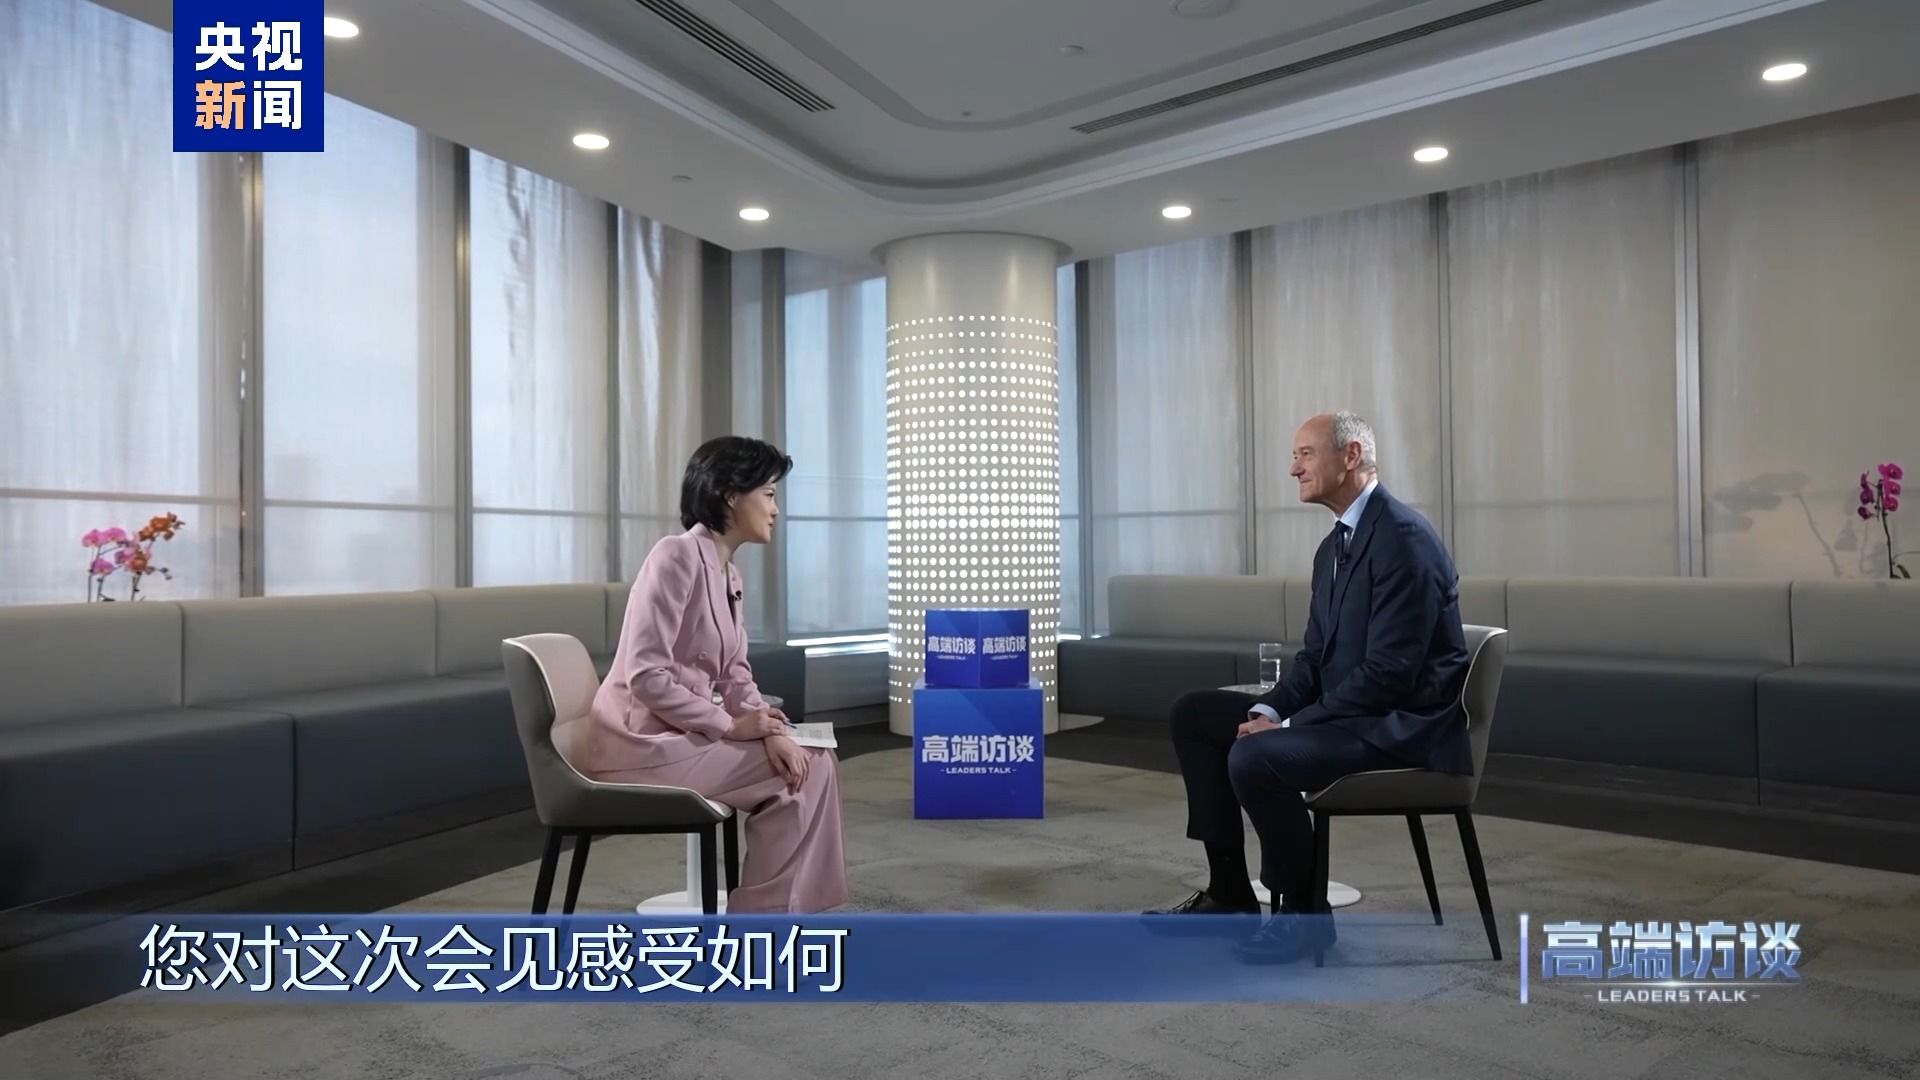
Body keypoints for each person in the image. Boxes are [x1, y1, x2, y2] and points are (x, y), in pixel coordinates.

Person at [1144, 411, 1470, 962]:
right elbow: (1315, 659)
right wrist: (1272, 710)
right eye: (1295, 456)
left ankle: (1304, 916)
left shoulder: (1404, 540)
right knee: (1194, 714)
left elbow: (1390, 675)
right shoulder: (1334, 548)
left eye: (1305, 454)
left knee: (1257, 757)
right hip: (1351, 714)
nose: (1293, 469)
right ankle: (1229, 893)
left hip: (1397, 727)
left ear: (1351, 455)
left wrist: (1288, 726)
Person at [561, 436, 847, 913]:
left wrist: (769, 728)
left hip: (684, 735)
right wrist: (732, 726)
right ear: (731, 495)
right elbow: (646, 674)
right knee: (805, 769)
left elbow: (735, 674)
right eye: (769, 494)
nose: (776, 509)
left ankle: (777, 916)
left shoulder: (728, 573)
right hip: (641, 744)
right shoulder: (675, 556)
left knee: (812, 756)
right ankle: (763, 923)